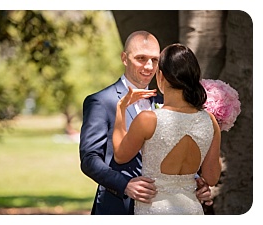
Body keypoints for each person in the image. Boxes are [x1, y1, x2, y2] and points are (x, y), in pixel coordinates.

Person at [79, 30, 211, 215]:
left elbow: (175, 149)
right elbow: (90, 159)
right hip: (118, 206)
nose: (149, 66)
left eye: (155, 60)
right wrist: (124, 185)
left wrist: (194, 182)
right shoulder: (101, 101)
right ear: (124, 58)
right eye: (141, 58)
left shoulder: (169, 100)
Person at [112, 43, 221, 214]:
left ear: (160, 75)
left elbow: (119, 155)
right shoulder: (210, 121)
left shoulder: (148, 119)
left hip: (154, 210)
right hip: (192, 210)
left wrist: (120, 108)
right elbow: (212, 177)